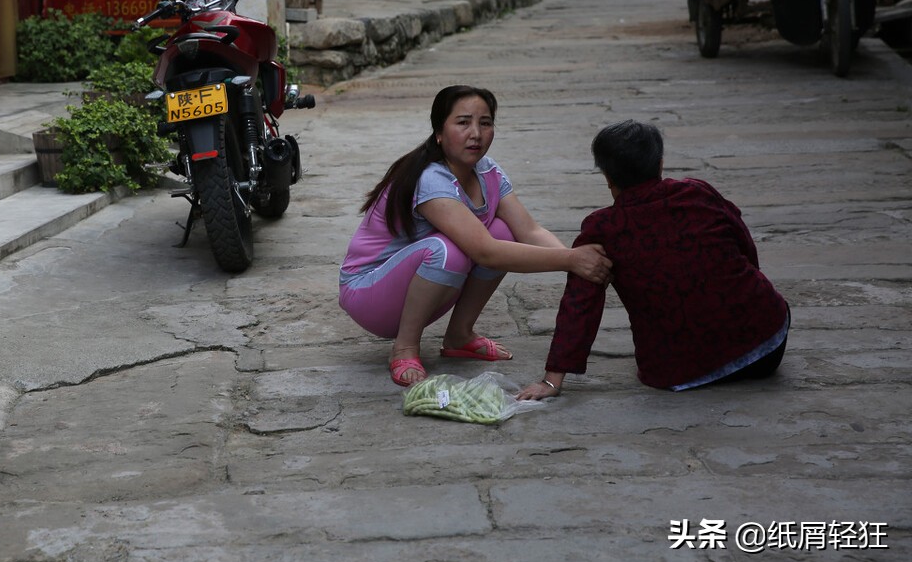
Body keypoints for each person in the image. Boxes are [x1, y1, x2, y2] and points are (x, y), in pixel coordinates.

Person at [338, 85, 613, 387]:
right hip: (368, 293)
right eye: (463, 122)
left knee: (502, 231)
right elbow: (485, 253)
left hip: (414, 288)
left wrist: (576, 264)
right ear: (439, 132)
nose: (476, 133)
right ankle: (404, 347)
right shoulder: (431, 178)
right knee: (449, 251)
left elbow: (529, 231)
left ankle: (459, 335)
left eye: (485, 123)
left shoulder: (488, 171)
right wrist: (571, 260)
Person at [516, 120, 790, 401]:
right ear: (659, 165)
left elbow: (581, 305)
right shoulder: (698, 193)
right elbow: (744, 244)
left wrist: (551, 381)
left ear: (608, 178)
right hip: (767, 343)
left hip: (678, 371)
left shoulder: (602, 229)